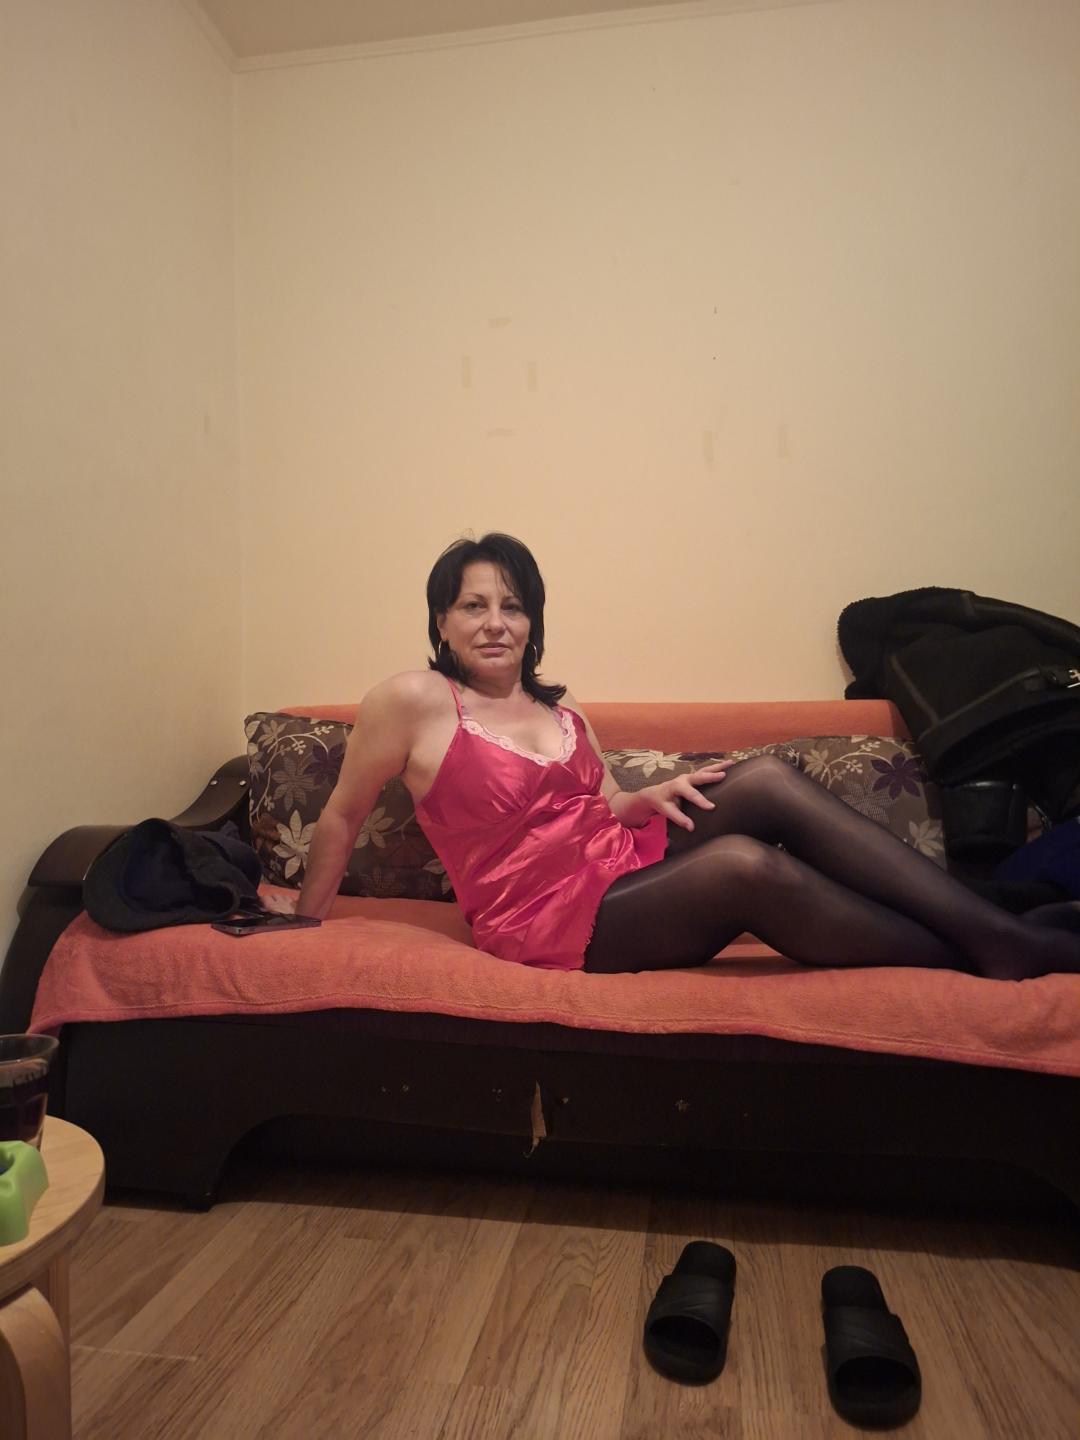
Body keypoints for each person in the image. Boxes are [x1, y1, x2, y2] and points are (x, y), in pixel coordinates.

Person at [286, 533, 1080, 982]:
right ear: (441, 622)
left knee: (762, 780)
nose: (497, 623)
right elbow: (343, 816)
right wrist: (301, 925)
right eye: (474, 606)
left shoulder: (559, 707)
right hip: (539, 919)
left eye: (514, 607)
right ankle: (994, 945)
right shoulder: (414, 701)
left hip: (615, 863)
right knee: (741, 866)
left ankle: (989, 920)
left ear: (533, 622)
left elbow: (599, 808)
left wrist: (645, 797)